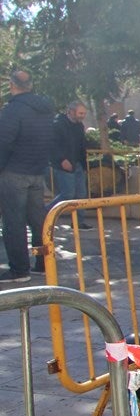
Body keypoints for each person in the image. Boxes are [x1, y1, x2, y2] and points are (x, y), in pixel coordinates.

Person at [0, 70, 54, 282]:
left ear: (13, 86)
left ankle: (20, 270)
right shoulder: (45, 109)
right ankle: (43, 264)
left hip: (14, 172)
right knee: (37, 220)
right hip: (36, 171)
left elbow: (4, 142)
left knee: (13, 222)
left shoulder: (12, 110)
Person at [50, 100, 90, 210]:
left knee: (81, 195)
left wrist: (84, 165)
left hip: (78, 164)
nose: (82, 116)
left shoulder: (79, 126)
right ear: (71, 112)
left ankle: (79, 222)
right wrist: (62, 159)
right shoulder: (58, 124)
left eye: (84, 113)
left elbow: (81, 146)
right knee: (67, 194)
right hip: (64, 164)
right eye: (80, 113)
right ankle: (44, 214)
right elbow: (53, 145)